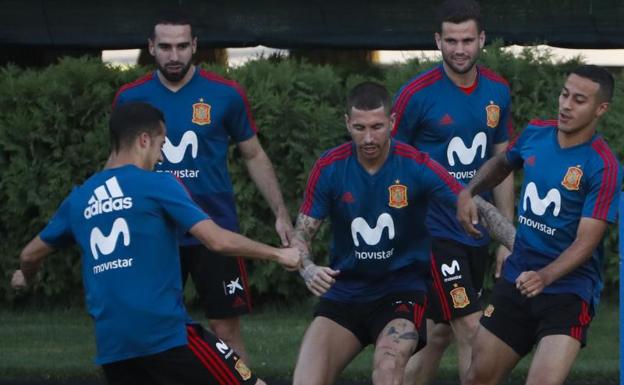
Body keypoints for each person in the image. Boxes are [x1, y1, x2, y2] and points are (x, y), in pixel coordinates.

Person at [10, 102, 300, 385]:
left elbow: (29, 254)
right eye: (161, 145)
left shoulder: (79, 199)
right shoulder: (158, 184)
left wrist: (27, 276)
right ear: (144, 139)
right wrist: (278, 254)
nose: (161, 157)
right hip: (165, 335)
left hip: (114, 348)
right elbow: (217, 240)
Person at [291, 82, 514, 385]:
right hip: (345, 292)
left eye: (377, 127)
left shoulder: (415, 165)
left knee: (388, 366)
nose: (368, 138)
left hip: (400, 291)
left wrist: (522, 247)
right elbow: (302, 234)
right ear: (347, 123)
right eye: (359, 128)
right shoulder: (330, 168)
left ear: (393, 123)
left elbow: (475, 205)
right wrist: (307, 268)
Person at [112, 14, 293, 363]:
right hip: (154, 231)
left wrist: (281, 213)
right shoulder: (130, 98)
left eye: (182, 46)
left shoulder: (225, 94)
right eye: (164, 46)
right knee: (150, 327)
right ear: (151, 47)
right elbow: (117, 162)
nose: (174, 55)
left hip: (216, 227)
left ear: (195, 46)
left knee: (225, 328)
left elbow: (253, 154)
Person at [457, 65, 622, 385]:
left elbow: (586, 243)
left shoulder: (603, 165)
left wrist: (545, 276)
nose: (566, 105)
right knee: (478, 377)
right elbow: (501, 164)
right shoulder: (536, 133)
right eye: (564, 94)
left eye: (578, 100)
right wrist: (469, 191)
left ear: (601, 109)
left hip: (568, 292)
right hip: (518, 276)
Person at [391, 1, 514, 383]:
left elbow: (502, 162)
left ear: (481, 39)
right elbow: (392, 166)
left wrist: (505, 236)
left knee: (436, 334)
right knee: (473, 330)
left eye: (467, 40)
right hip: (434, 233)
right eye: (450, 40)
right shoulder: (415, 94)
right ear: (437, 41)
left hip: (477, 232)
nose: (459, 49)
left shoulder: (498, 90)